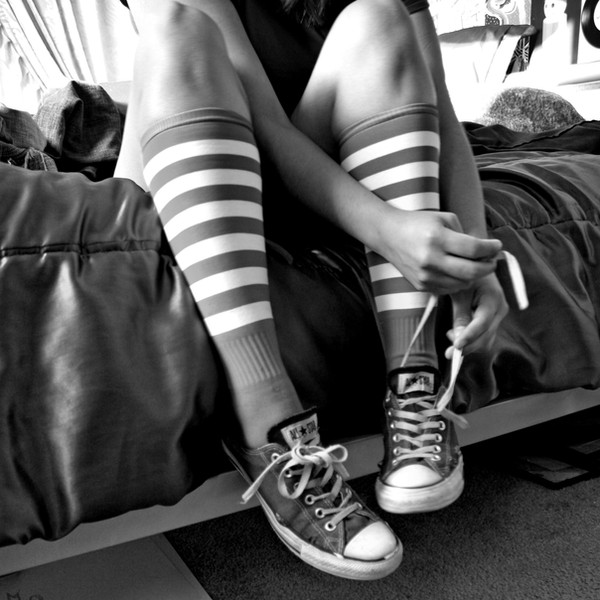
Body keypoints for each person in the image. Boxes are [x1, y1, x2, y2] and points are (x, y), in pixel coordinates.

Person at [114, 0, 508, 580]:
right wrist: (387, 230)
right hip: (194, 160)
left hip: (316, 174)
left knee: (380, 17)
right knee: (180, 29)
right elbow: (267, 127)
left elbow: (442, 121)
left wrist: (474, 260)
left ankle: (414, 384)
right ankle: (268, 426)